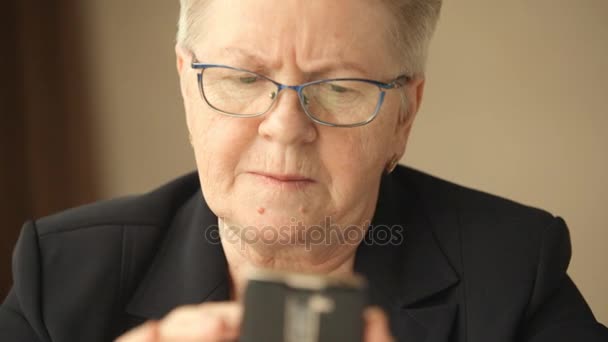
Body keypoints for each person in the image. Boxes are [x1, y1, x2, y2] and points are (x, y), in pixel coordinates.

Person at [1, 0, 607, 341]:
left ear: (404, 115)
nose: (286, 126)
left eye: (340, 88)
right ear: (187, 86)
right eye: (242, 79)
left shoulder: (512, 267)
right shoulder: (58, 275)